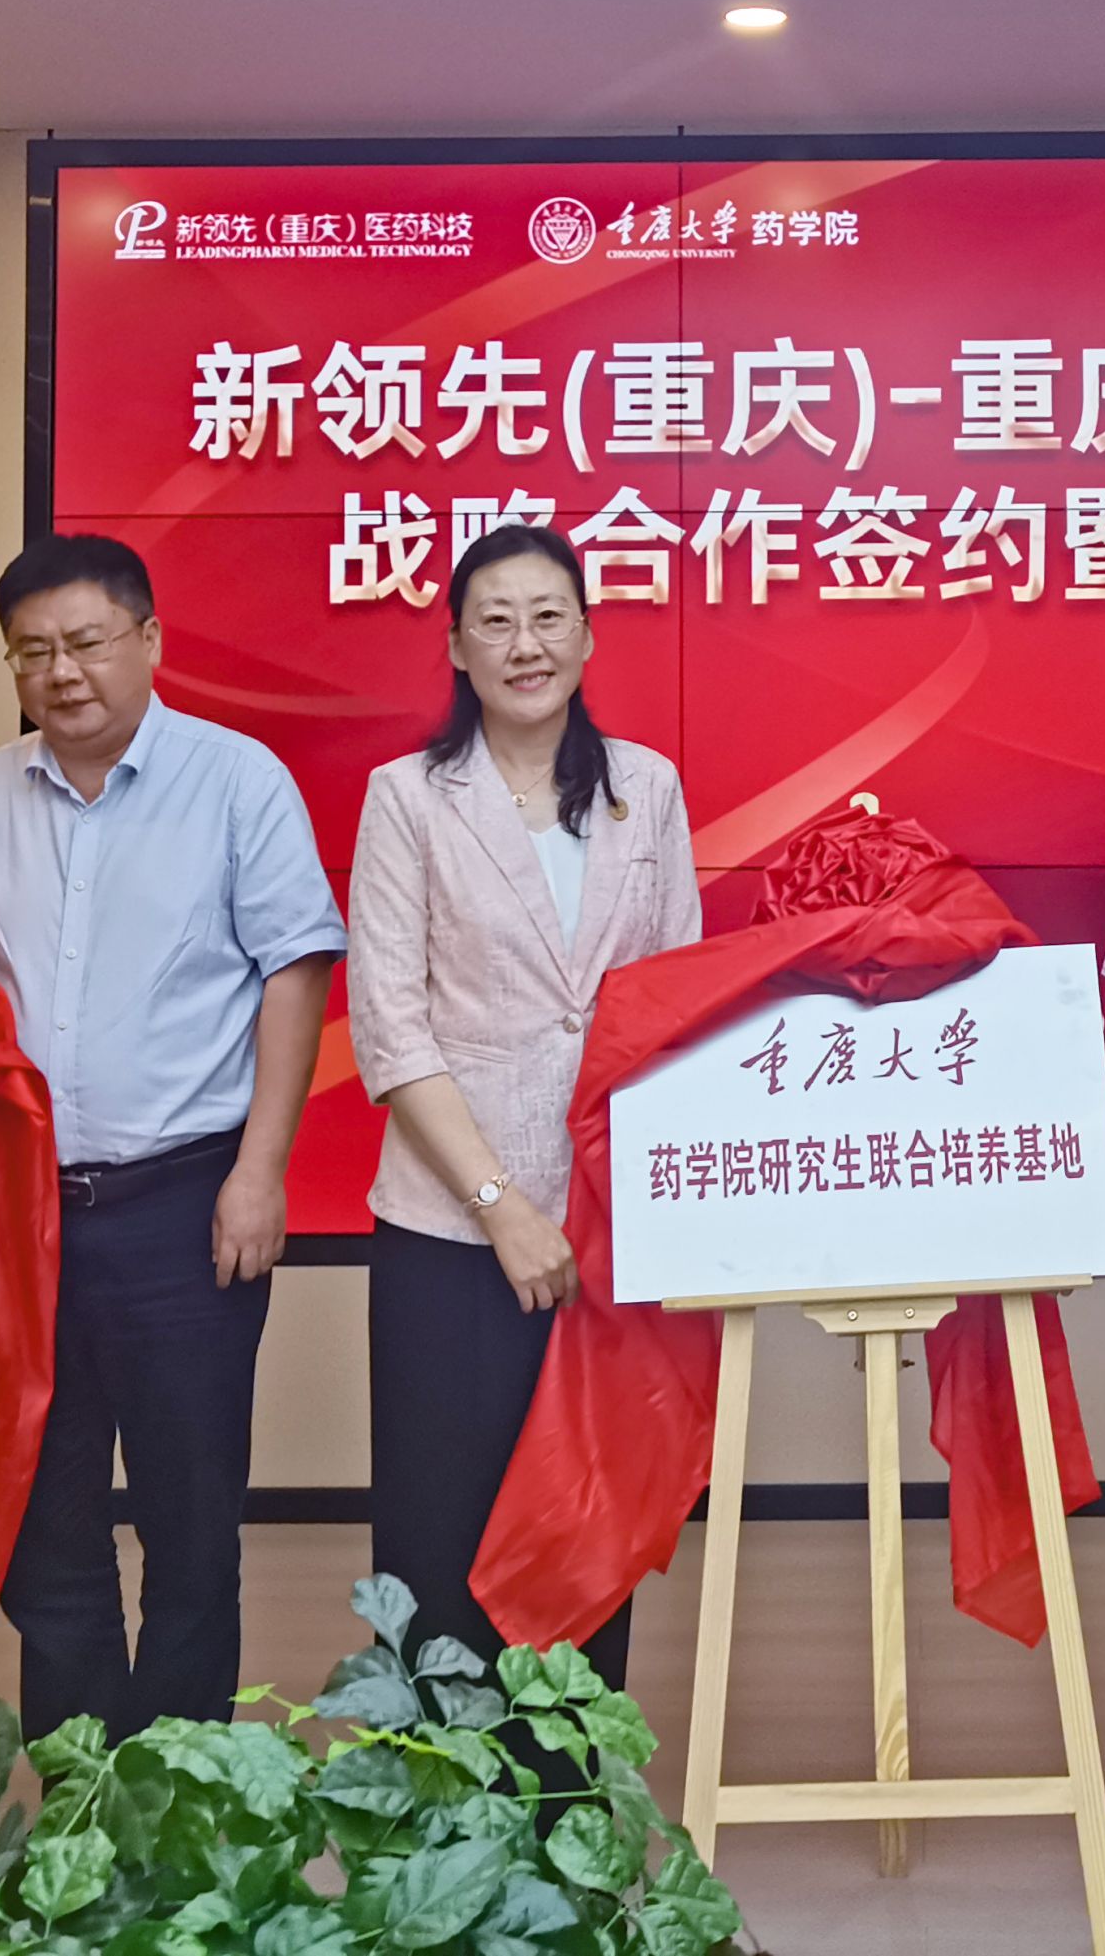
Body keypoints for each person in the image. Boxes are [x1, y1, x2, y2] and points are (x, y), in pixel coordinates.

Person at [0, 533, 343, 1742]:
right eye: (31, 652)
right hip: (22, 1215)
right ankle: (80, 1782)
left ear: (148, 640)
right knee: (46, 1513)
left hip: (188, 1199)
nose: (62, 672)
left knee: (192, 1517)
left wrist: (260, 1172)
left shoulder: (236, 779)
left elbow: (295, 971)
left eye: (87, 642)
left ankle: (180, 1781)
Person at [349, 522, 701, 1698]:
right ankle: (443, 1799)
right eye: (494, 621)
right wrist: (501, 1206)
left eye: (549, 616)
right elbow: (390, 1025)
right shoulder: (408, 797)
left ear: (588, 635)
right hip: (450, 1228)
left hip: (603, 1227)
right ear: (456, 646)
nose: (524, 644)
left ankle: (571, 1794)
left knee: (587, 1529)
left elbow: (673, 999)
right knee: (441, 1534)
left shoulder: (646, 789)